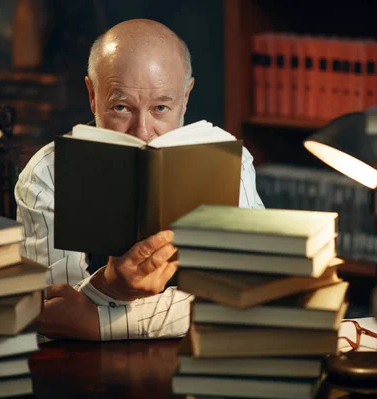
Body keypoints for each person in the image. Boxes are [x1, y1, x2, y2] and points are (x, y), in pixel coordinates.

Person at [14, 18, 264, 342]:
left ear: (185, 97)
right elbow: (53, 320)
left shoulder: (231, 163)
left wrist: (101, 322)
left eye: (161, 107)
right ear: (93, 95)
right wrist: (109, 285)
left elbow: (254, 295)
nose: (143, 132)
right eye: (121, 107)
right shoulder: (46, 176)